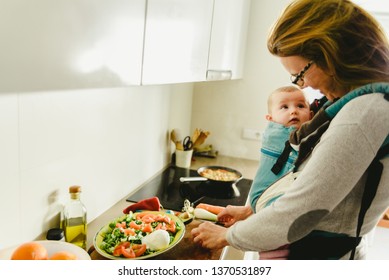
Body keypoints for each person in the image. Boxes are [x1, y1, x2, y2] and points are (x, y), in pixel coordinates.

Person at [192, 0, 389, 260]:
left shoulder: (363, 114)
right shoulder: (364, 104)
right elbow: (312, 185)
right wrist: (252, 212)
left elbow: (303, 210)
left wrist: (227, 236)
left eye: (300, 73)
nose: (304, 84)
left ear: (328, 53)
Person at [248, 86, 313, 212]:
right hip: (266, 199)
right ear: (270, 119)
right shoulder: (275, 135)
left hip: (273, 202)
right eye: (284, 107)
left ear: (311, 115)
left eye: (300, 106)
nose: (293, 111)